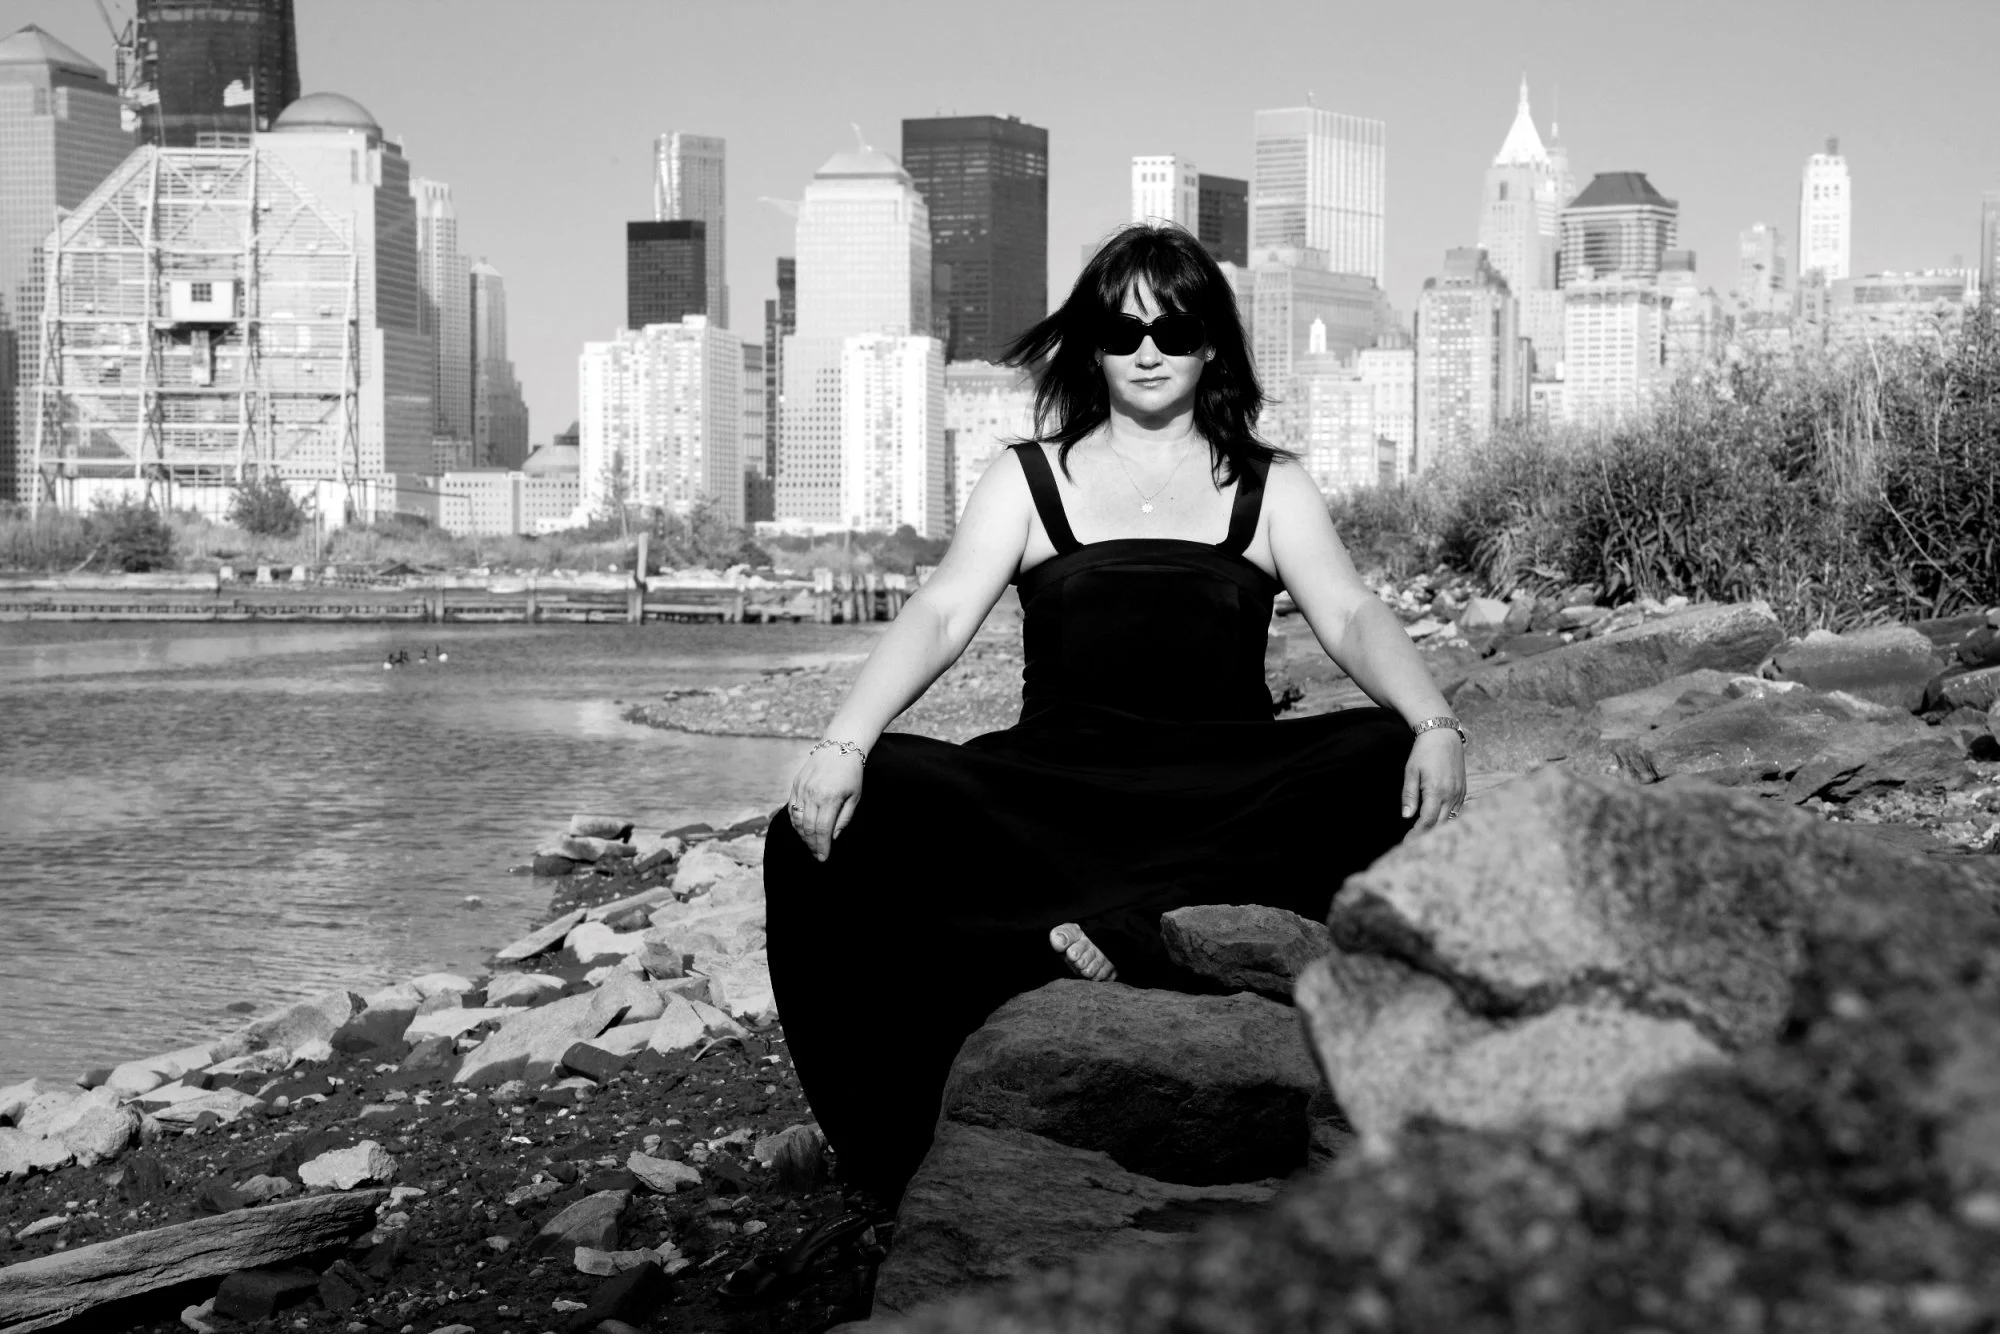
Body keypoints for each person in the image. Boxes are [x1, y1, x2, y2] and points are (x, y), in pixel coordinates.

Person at [762, 224, 1466, 1204]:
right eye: (1121, 331)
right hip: (1055, 795)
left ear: (1210, 344)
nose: (1146, 351)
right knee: (829, 828)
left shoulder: (1269, 486)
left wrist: (1435, 723)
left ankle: (1130, 931)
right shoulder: (1029, 477)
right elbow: (940, 613)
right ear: (1090, 345)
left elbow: (1349, 613)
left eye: (1172, 331)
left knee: (1383, 755)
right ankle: (891, 1150)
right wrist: (844, 741)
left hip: (1223, 797)